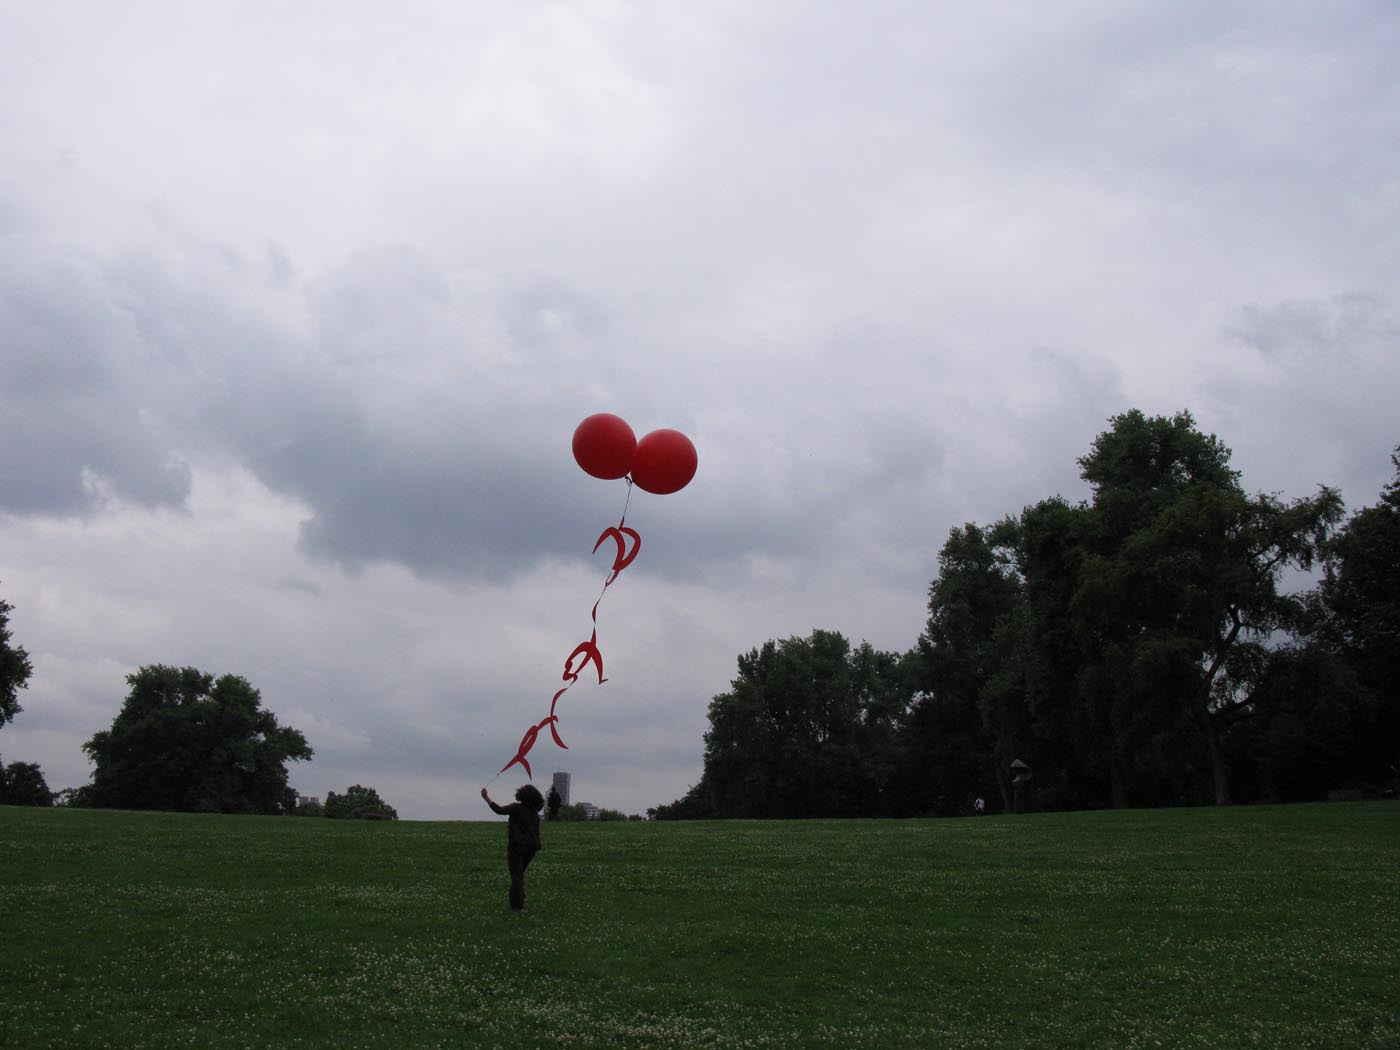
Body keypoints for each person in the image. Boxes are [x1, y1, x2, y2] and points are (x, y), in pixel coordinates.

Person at [481, 784, 545, 911]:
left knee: (516, 876)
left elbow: (498, 810)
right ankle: (519, 896)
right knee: (519, 874)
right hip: (532, 848)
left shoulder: (516, 808)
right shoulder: (535, 814)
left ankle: (517, 906)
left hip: (517, 847)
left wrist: (485, 797)